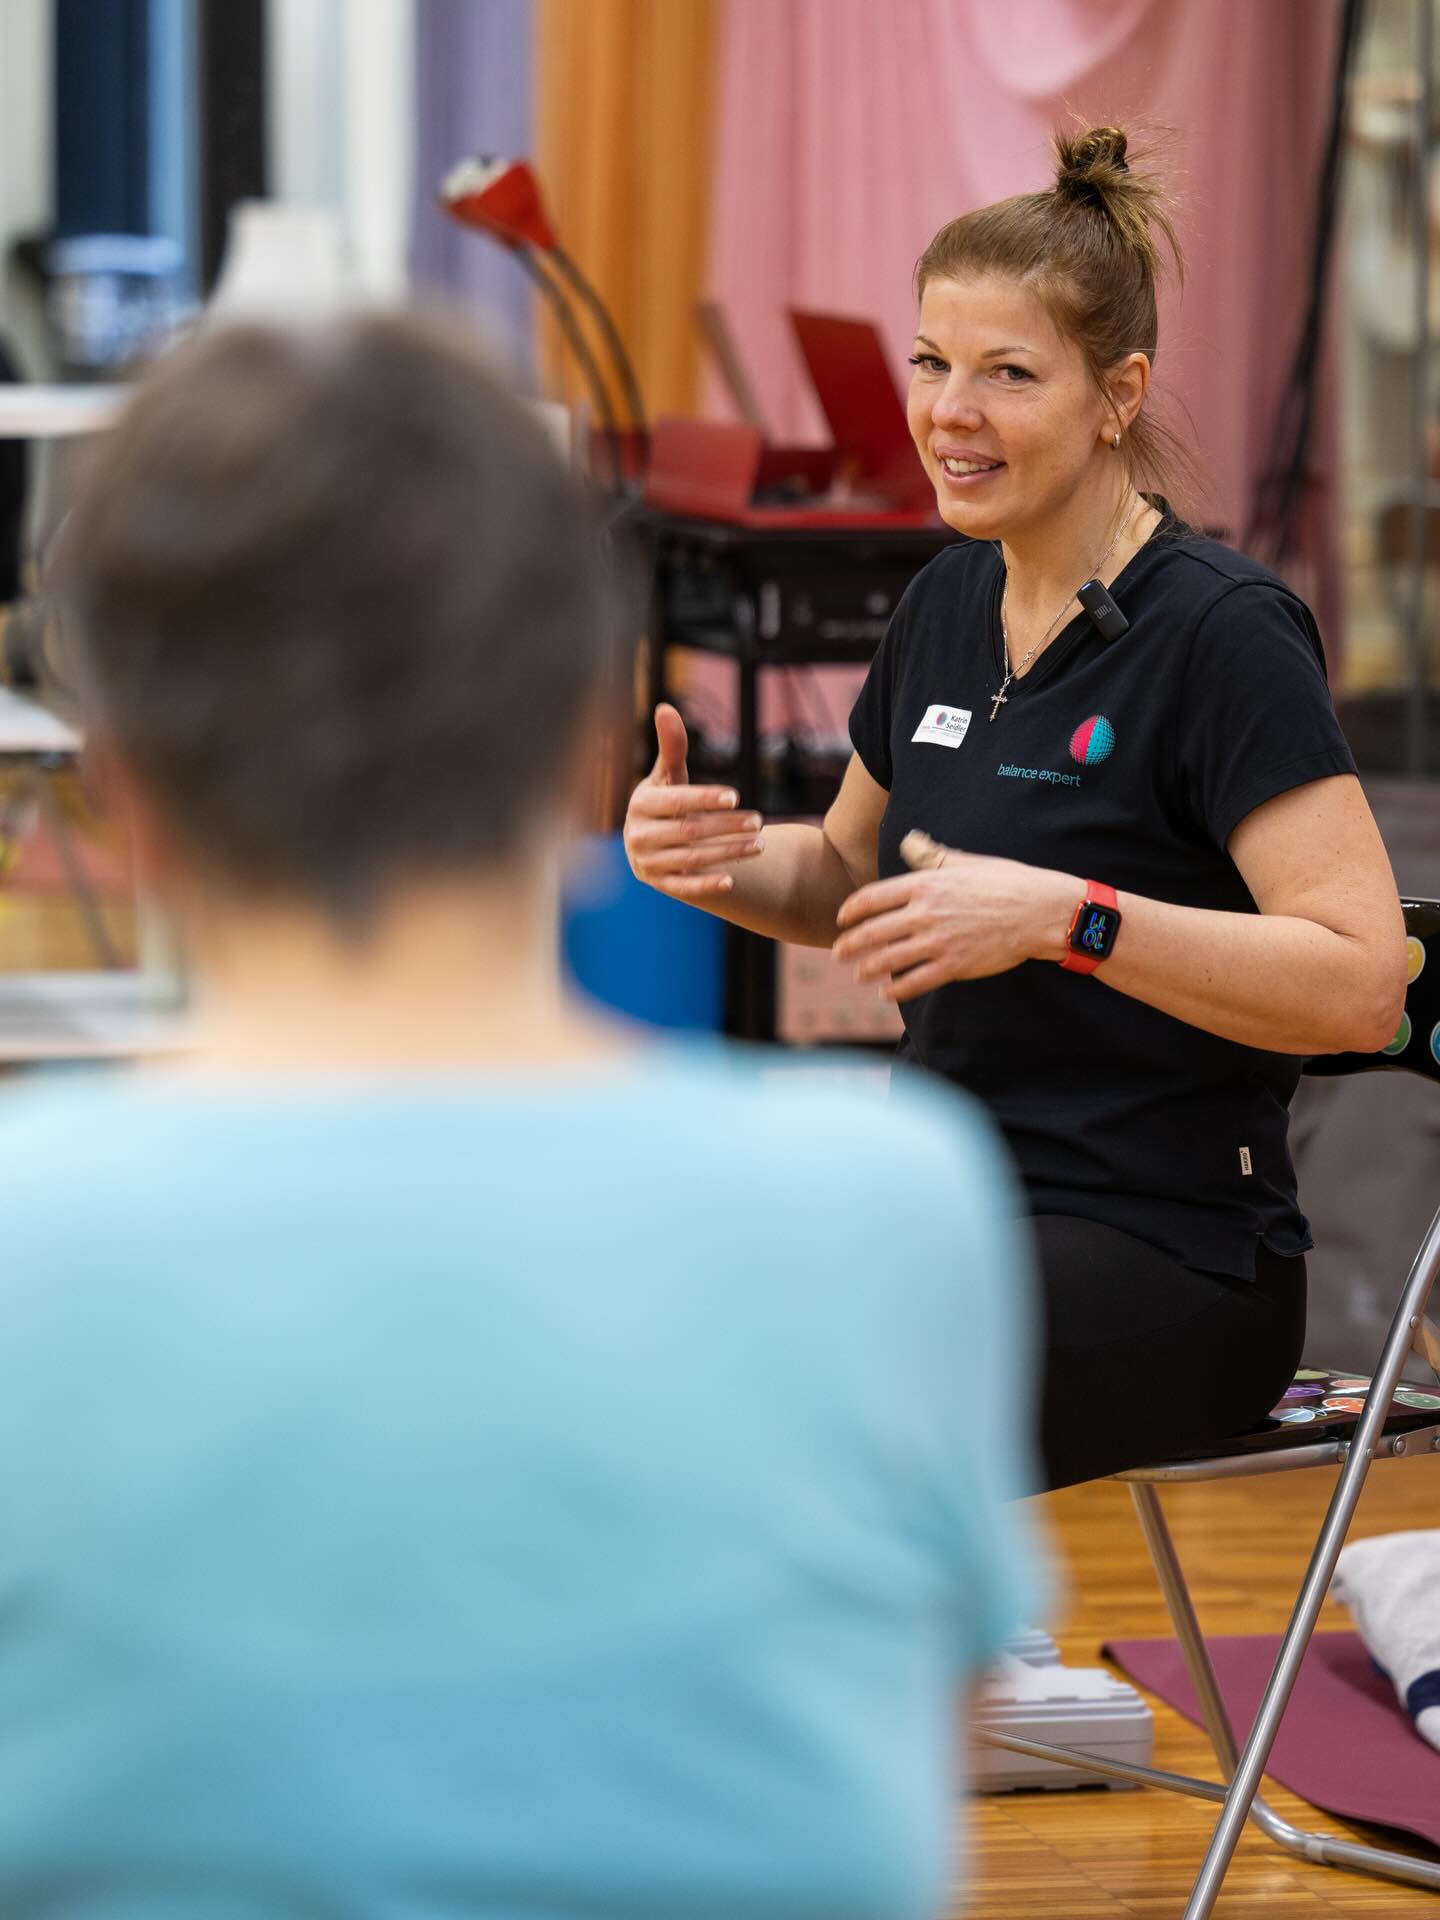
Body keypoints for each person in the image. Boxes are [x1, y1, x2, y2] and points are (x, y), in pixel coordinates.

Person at [0, 311, 1043, 1920]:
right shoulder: (889, 1208)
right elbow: (917, 1735)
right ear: (582, 756)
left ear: (117, 798)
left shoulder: (32, 1242)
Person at [624, 126, 1409, 1491]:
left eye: (1007, 374)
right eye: (933, 364)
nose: (950, 412)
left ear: (1119, 396)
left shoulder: (1225, 637)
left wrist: (1070, 920)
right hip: (943, 1199)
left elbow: (1359, 983)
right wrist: (714, 858)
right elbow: (842, 882)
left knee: (794, 1400)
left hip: (1168, 1251)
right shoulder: (944, 602)